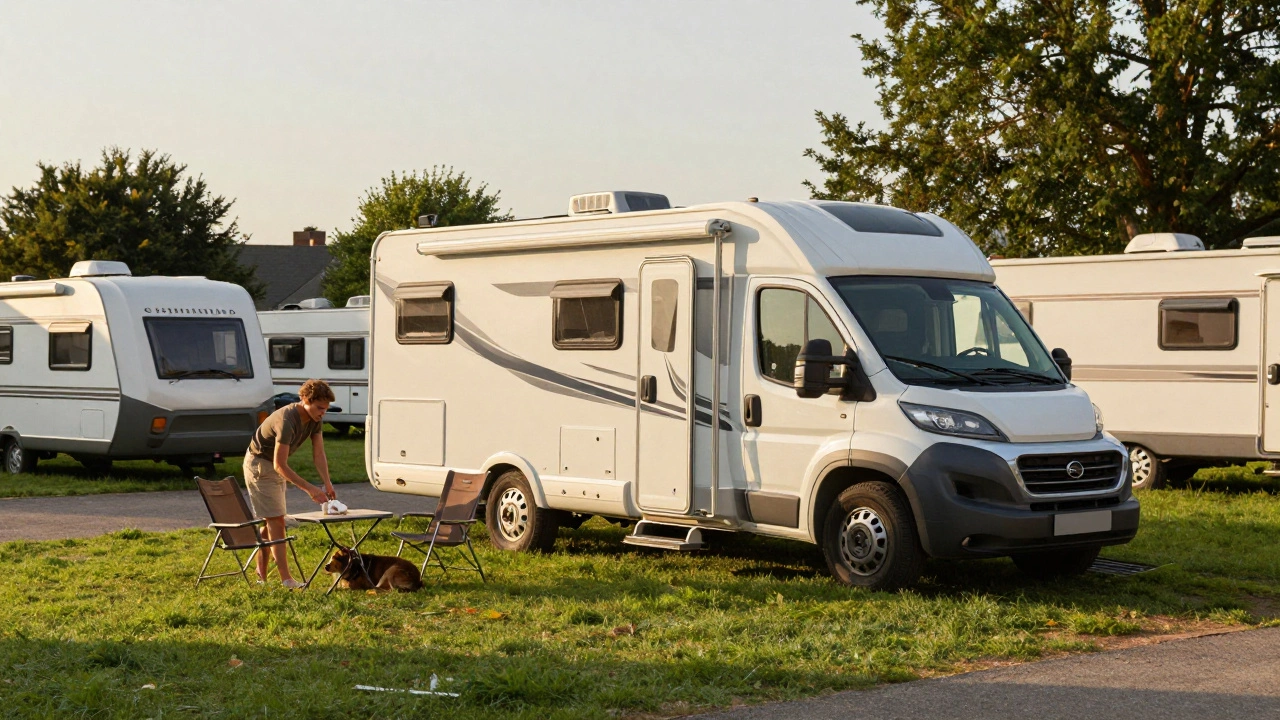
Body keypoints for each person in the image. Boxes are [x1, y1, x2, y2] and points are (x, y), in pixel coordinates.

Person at [243, 379, 337, 587]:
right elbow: (279, 465)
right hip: (260, 464)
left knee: (271, 522)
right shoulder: (287, 419)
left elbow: (319, 454)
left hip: (272, 465)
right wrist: (311, 490)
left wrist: (327, 483)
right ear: (304, 399)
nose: (323, 412)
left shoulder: (315, 418)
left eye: (325, 409)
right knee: (277, 521)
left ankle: (261, 575)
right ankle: (286, 579)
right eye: (319, 408)